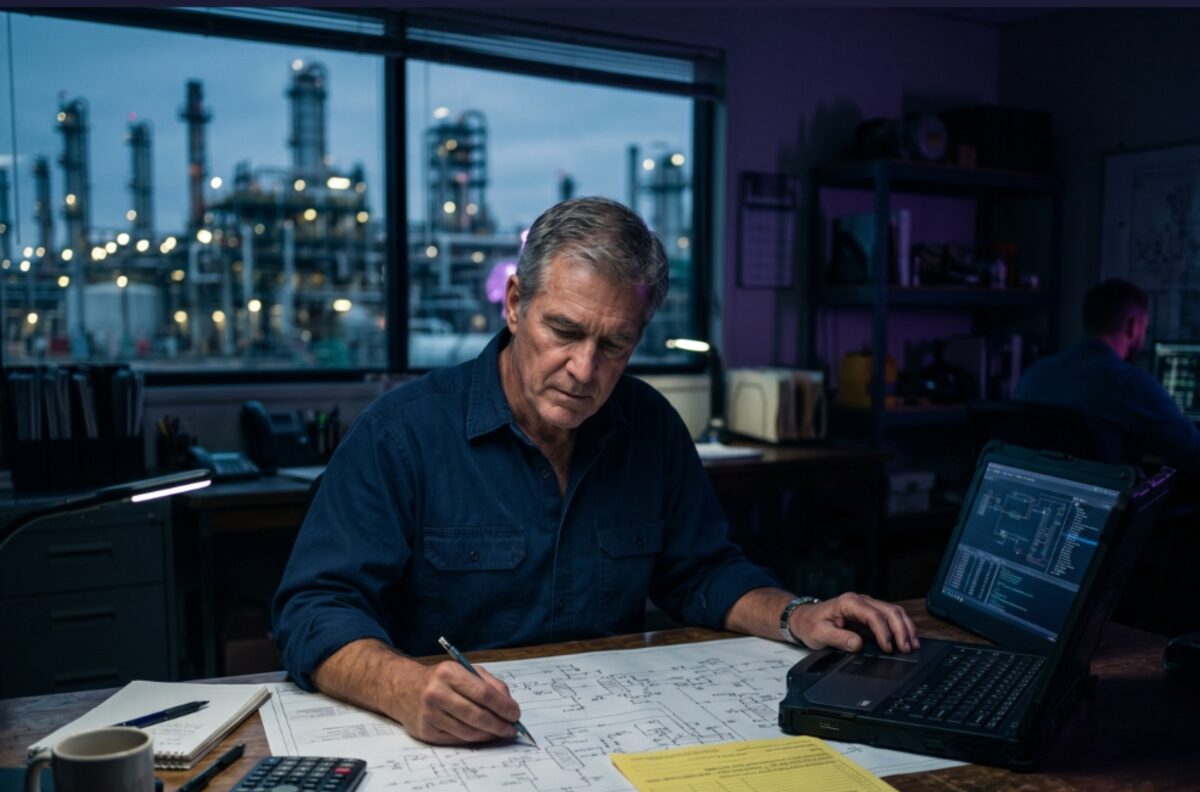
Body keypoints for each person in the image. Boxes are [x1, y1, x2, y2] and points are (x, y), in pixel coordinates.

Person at [272, 196, 916, 746]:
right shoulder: (400, 434)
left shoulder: (652, 427)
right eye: (564, 331)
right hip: (448, 746)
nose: (584, 369)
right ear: (516, 304)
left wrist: (797, 613)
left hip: (608, 734)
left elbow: (703, 570)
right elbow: (315, 607)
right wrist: (404, 687)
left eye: (614, 345)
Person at [1015, 278, 1200, 482]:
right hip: (1104, 506)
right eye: (1145, 328)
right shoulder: (1128, 382)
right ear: (1133, 326)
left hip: (1040, 502)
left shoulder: (1034, 373)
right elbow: (1192, 451)